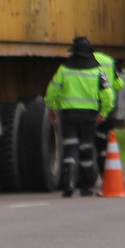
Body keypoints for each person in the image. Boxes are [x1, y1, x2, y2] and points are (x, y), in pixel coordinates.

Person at [47, 36, 107, 196]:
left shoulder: (64, 70)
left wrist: (53, 107)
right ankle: (86, 187)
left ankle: (68, 184)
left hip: (69, 115)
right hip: (89, 116)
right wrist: (104, 112)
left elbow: (53, 90)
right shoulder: (99, 71)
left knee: (70, 147)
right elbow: (107, 93)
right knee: (86, 149)